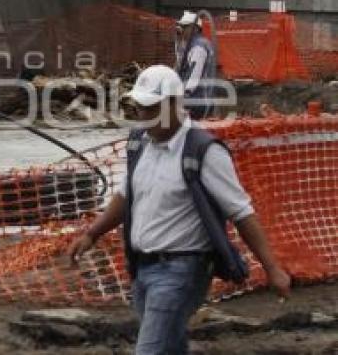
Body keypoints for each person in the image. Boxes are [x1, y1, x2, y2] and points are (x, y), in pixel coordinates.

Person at [67, 65, 290, 355]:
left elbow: (241, 212)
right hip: (142, 268)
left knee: (150, 350)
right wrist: (92, 234)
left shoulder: (204, 151)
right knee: (170, 346)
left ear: (175, 104)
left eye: (151, 108)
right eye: (140, 108)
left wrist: (272, 269)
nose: (144, 116)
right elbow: (125, 195)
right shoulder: (139, 144)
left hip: (182, 270)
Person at [175, 11, 217, 120]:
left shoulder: (198, 47)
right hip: (200, 100)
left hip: (196, 102)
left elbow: (194, 75)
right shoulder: (195, 44)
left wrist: (183, 95)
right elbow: (180, 65)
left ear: (194, 28)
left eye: (184, 26)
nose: (181, 29)